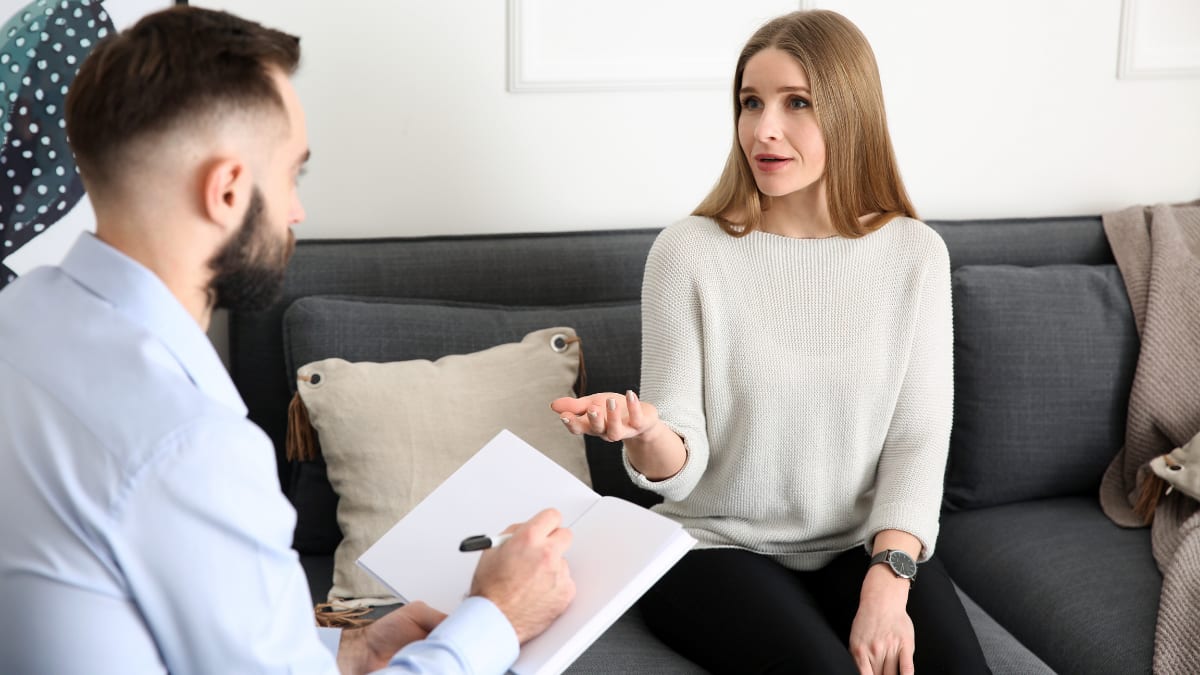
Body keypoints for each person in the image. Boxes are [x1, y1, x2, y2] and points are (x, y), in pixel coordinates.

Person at [0, 7, 574, 674]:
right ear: (228, 190)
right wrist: (497, 617)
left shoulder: (21, 318)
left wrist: (347, 645)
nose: (298, 209)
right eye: (292, 174)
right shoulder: (188, 445)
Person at [553, 10, 989, 675]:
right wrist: (644, 432)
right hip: (709, 550)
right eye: (750, 102)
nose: (764, 129)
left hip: (858, 546)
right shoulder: (688, 253)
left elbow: (918, 438)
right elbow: (684, 462)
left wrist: (888, 578)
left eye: (797, 103)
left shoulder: (914, 255)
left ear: (850, 112)